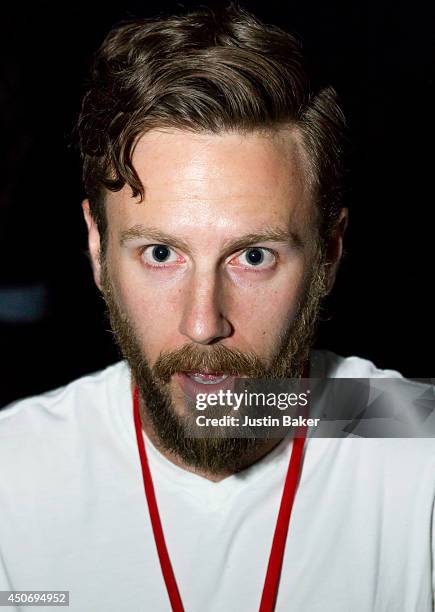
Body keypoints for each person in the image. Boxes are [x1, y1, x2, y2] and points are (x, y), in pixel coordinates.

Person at [0, 5, 434, 611]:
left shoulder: (417, 446)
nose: (203, 323)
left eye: (253, 257)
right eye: (159, 253)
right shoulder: (12, 473)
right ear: (97, 250)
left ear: (329, 253)